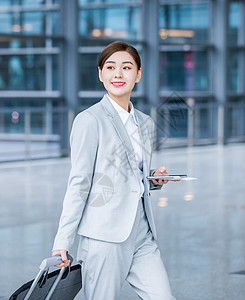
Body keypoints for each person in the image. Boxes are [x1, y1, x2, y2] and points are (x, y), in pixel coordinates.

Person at [52, 41, 176, 300]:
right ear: (100, 73)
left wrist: (154, 179)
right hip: (104, 236)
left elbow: (129, 172)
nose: (118, 74)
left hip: (142, 233)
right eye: (110, 67)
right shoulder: (89, 121)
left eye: (126, 67)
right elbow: (80, 183)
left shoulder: (145, 122)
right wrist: (63, 241)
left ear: (138, 74)